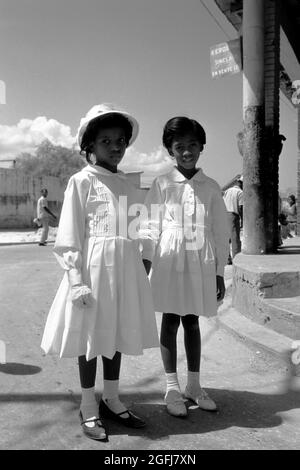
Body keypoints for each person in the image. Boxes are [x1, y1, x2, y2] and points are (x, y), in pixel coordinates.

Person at [41, 103, 159, 441]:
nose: (115, 146)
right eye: (105, 140)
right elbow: (69, 237)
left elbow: (140, 226)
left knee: (116, 333)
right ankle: (88, 404)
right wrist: (76, 280)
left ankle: (112, 397)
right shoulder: (81, 182)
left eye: (120, 140)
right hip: (92, 272)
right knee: (91, 338)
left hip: (124, 271)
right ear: (90, 146)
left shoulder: (128, 184)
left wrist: (144, 261)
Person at [140, 116, 229, 417]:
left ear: (202, 147)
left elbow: (220, 231)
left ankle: (194, 384)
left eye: (193, 145)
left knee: (192, 321)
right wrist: (145, 263)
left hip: (199, 259)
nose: (187, 152)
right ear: (170, 150)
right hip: (169, 258)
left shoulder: (212, 187)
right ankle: (171, 387)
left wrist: (219, 272)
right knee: (170, 320)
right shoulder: (162, 183)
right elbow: (151, 225)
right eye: (180, 146)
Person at [223, 177, 243, 263]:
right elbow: (241, 207)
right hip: (233, 215)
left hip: (224, 214)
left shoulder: (228, 190)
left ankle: (227, 259)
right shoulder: (240, 192)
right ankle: (236, 259)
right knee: (235, 239)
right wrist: (243, 219)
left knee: (226, 239)